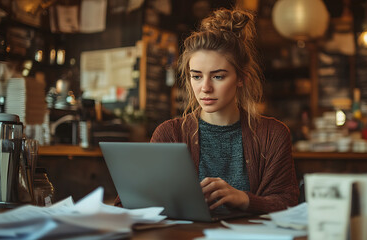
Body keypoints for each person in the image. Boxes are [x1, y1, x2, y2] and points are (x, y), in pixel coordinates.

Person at [115, 8, 299, 214]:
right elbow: (126, 204)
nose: (205, 88)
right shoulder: (170, 134)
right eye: (196, 76)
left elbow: (289, 204)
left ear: (241, 78)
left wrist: (244, 199)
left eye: (218, 76)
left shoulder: (272, 134)